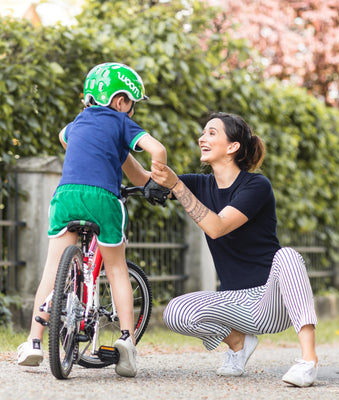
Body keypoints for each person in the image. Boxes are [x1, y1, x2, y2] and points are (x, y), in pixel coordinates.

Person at [122, 112, 318, 387]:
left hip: (271, 301)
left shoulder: (256, 185)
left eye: (212, 133)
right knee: (175, 312)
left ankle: (308, 361)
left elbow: (217, 226)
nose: (202, 138)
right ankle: (238, 343)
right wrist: (118, 145)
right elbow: (145, 181)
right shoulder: (199, 184)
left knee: (288, 256)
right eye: (203, 133)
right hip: (234, 302)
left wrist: (177, 185)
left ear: (232, 146)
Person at [16, 62, 167, 378]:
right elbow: (157, 149)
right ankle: (126, 341)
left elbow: (68, 140)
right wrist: (160, 180)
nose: (131, 112)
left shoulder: (76, 124)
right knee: (115, 268)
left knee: (53, 268)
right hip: (103, 200)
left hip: (66, 196)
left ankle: (33, 342)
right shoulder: (121, 123)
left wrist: (135, 175)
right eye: (131, 106)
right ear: (121, 101)